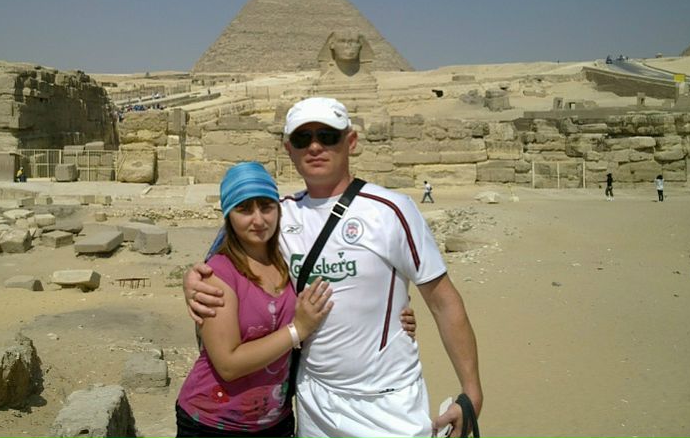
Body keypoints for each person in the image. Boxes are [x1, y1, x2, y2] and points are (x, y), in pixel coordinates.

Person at [186, 97, 482, 438]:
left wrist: (471, 392)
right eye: (303, 139)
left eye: (327, 136)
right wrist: (191, 280)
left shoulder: (391, 210)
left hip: (387, 402)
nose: (315, 147)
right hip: (314, 403)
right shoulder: (278, 213)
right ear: (289, 149)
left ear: (350, 141)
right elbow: (223, 259)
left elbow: (443, 301)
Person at [176, 162, 333, 438]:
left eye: (266, 207)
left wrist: (398, 318)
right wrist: (297, 330)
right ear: (229, 215)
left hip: (276, 421)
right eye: (245, 209)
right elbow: (228, 364)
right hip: (214, 423)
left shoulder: (288, 259)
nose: (258, 220)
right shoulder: (218, 275)